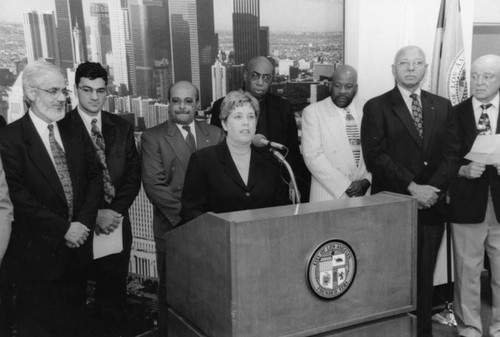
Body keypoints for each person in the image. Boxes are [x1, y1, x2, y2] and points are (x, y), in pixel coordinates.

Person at [361, 46, 461, 337]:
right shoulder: (377, 107)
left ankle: (423, 333)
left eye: (417, 63)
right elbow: (375, 157)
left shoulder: (442, 106)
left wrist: (432, 191)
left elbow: (452, 154)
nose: (411, 68)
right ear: (393, 69)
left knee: (424, 276)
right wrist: (413, 187)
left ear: (426, 68)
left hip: (433, 205)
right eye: (404, 63)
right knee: (390, 274)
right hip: (393, 205)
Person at [0, 60, 102, 337]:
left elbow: (94, 178)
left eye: (64, 91)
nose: (62, 98)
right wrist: (64, 228)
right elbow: (18, 196)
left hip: (77, 252)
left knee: (75, 325)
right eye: (53, 91)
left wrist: (81, 224)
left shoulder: (73, 128)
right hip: (36, 259)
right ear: (32, 93)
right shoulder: (10, 138)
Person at [141, 80, 225, 336]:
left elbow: (222, 183)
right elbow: (154, 185)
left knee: (210, 291)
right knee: (173, 293)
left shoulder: (216, 134)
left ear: (198, 104)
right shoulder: (152, 137)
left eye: (188, 101)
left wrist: (208, 223)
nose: (182, 106)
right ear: (169, 103)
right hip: (173, 227)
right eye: (176, 101)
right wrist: (191, 222)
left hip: (210, 229)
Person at [66, 61, 141, 335]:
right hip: (78, 228)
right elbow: (61, 184)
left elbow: (133, 175)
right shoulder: (61, 129)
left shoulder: (121, 127)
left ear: (107, 91)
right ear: (76, 90)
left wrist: (114, 212)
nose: (94, 97)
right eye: (87, 90)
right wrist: (94, 214)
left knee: (113, 299)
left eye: (100, 90)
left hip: (116, 226)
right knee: (74, 300)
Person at [448, 54, 500, 337]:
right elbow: (444, 158)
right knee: (467, 271)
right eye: (476, 76)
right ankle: (469, 327)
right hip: (467, 202)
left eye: (488, 77)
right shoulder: (453, 113)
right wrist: (462, 171)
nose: (479, 82)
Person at [210, 56, 311, 202]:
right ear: (246, 75)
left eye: (266, 78)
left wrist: (292, 183)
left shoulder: (283, 108)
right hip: (235, 188)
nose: (260, 82)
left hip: (276, 188)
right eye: (255, 76)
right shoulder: (223, 105)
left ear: (272, 80)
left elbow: (292, 152)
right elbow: (217, 150)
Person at [181, 90, 291, 223]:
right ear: (224, 124)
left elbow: (282, 208)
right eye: (238, 117)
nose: (246, 122)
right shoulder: (203, 160)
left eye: (251, 117)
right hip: (219, 240)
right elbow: (191, 211)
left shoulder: (270, 161)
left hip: (264, 239)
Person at [301, 65, 371, 201]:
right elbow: (313, 157)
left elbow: (378, 151)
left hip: (364, 194)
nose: (342, 91)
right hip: (329, 195)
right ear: (330, 86)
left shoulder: (368, 108)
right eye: (337, 86)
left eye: (348, 86)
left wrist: (367, 180)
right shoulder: (313, 112)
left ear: (356, 88)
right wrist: (346, 186)